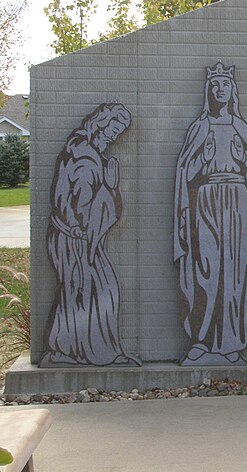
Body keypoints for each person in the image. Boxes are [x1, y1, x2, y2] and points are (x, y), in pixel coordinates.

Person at [174, 61, 247, 366]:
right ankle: (201, 342)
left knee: (235, 272)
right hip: (206, 201)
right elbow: (185, 174)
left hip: (238, 203)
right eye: (215, 85)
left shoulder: (240, 127)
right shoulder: (199, 127)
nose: (220, 90)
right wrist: (201, 161)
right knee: (206, 269)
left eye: (225, 85)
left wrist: (245, 160)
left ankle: (231, 343)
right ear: (209, 91)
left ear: (232, 90)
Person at [42, 103, 140, 367]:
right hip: (73, 237)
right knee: (88, 290)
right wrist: (110, 187)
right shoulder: (84, 156)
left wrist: (109, 188)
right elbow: (78, 205)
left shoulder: (88, 153)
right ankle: (73, 352)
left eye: (119, 131)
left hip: (80, 236)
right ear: (101, 123)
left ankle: (70, 350)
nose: (115, 134)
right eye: (114, 127)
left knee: (90, 289)